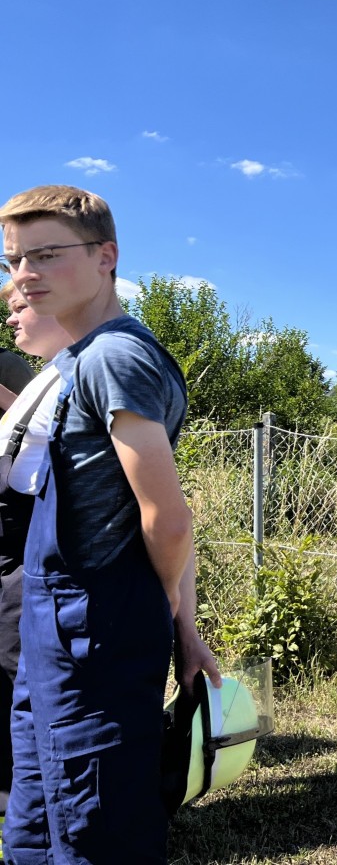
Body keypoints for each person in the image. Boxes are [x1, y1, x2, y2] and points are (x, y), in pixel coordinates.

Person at [0, 185, 218, 864]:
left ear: (106, 257)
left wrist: (176, 616)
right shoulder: (75, 358)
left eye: (45, 255)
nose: (24, 275)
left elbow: (168, 520)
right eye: (13, 260)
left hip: (93, 630)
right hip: (52, 631)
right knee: (37, 822)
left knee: (96, 827)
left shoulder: (112, 358)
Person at [0, 279, 70, 830]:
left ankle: (23, 804)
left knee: (13, 672)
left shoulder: (20, 369)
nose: (11, 318)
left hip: (21, 559)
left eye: (19, 307)